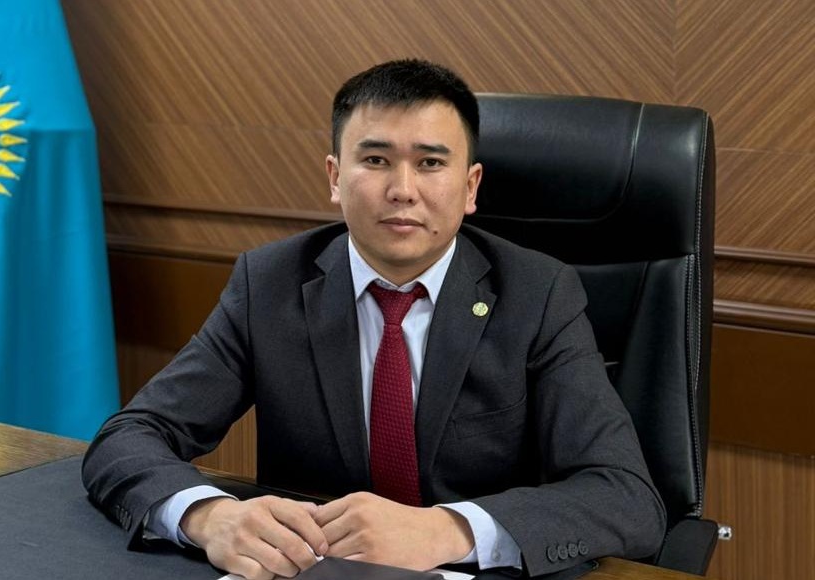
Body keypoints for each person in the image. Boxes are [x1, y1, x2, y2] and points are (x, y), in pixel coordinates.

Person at [82, 59, 666, 579]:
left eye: (430, 162)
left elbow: (625, 497)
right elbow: (128, 438)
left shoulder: (538, 294)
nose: (402, 190)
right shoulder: (270, 284)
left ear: (470, 187)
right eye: (376, 159)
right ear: (335, 178)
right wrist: (209, 517)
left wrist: (447, 530)